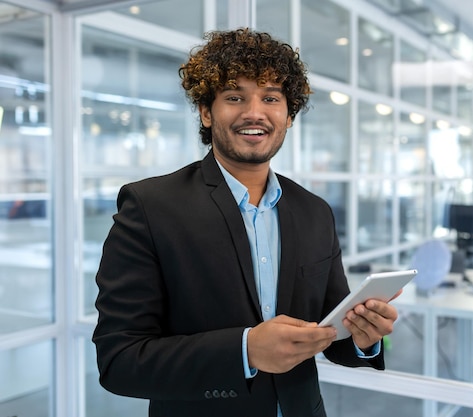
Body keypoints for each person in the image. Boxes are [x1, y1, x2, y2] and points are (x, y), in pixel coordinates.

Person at [92, 28, 400, 417]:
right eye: (234, 97)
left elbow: (329, 334)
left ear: (289, 116)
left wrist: (362, 337)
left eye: (271, 98)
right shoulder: (150, 206)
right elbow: (120, 361)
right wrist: (246, 349)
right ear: (206, 112)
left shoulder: (315, 212)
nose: (254, 112)